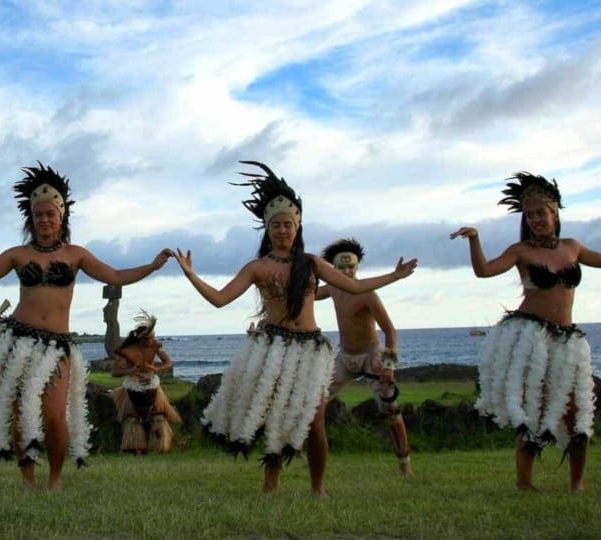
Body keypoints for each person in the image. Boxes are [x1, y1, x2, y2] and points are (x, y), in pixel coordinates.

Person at [0, 163, 173, 490]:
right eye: (38, 215)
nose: (44, 220)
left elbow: (115, 276)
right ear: (31, 218)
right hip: (20, 340)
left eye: (50, 214)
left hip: (58, 346)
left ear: (62, 216)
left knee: (54, 417)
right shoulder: (18, 255)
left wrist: (152, 266)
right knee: (23, 414)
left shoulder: (76, 255)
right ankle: (28, 480)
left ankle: (54, 479)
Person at [173, 161, 416, 496]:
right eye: (277, 225)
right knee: (275, 417)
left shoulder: (312, 263)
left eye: (288, 224)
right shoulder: (257, 267)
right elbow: (219, 299)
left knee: (315, 422)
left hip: (310, 350)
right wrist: (190, 274)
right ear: (268, 229)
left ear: (298, 226)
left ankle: (318, 489)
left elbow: (355, 287)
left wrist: (394, 276)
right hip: (273, 350)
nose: (283, 230)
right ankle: (270, 485)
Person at [450, 171, 598, 493]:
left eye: (540, 213)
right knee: (532, 410)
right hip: (532, 340)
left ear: (555, 211)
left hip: (568, 340)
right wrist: (475, 240)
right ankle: (524, 484)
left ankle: (577, 484)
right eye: (529, 215)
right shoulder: (521, 251)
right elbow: (483, 271)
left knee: (577, 413)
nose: (535, 220)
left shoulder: (573, 247)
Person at [315, 238, 412, 475]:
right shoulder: (333, 289)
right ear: (333, 269)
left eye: (351, 267)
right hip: (345, 356)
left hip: (372, 356)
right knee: (315, 400)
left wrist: (389, 366)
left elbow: (389, 330)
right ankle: (298, 447)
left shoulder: (368, 293)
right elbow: (309, 294)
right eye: (341, 267)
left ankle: (404, 464)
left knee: (390, 408)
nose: (347, 271)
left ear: (357, 267)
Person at [110, 310, 181, 454]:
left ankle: (159, 447)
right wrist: (129, 371)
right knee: (133, 419)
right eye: (149, 339)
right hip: (132, 387)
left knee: (159, 417)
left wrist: (154, 368)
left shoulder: (155, 345)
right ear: (140, 339)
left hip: (152, 385)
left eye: (153, 337)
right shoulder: (128, 350)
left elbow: (168, 363)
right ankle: (135, 448)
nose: (152, 341)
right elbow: (115, 372)